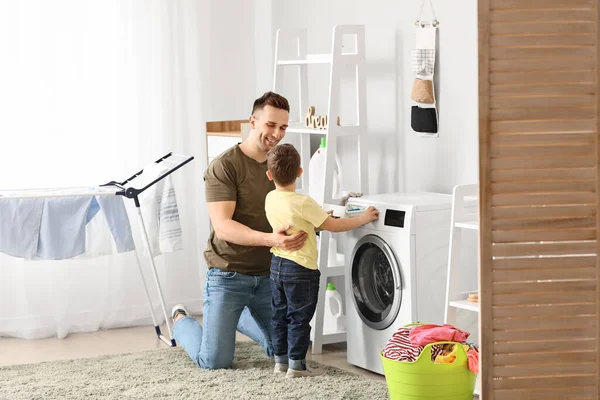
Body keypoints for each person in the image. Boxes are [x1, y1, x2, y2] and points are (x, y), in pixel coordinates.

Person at [170, 92, 308, 370]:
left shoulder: (279, 164)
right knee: (214, 361)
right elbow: (223, 227)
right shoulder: (224, 166)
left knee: (284, 351)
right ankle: (182, 321)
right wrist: (272, 239)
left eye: (283, 127)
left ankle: (238, 314)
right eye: (270, 125)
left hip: (269, 275)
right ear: (253, 121)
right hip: (228, 274)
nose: (277, 133)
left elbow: (286, 209)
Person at [264, 143, 379, 378]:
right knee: (299, 317)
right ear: (299, 172)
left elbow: (298, 220)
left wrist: (318, 217)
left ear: (269, 174)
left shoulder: (270, 198)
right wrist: (364, 218)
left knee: (279, 315)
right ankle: (297, 365)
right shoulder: (304, 202)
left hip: (277, 265)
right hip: (301, 269)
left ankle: (281, 362)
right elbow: (334, 227)